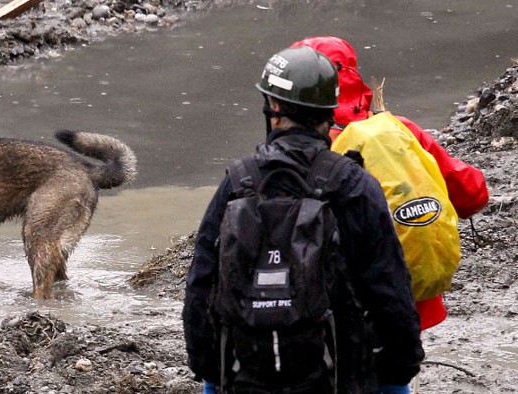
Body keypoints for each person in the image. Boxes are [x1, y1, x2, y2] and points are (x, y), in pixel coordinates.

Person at [182, 46, 424, 393]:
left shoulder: (236, 183)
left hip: (246, 377)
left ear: (274, 108)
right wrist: (400, 369)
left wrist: (209, 370)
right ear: (329, 111)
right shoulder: (356, 186)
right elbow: (390, 289)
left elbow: (201, 285)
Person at [289, 36, 490, 332]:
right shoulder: (400, 130)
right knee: (397, 371)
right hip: (412, 301)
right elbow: (473, 194)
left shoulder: (305, 148)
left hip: (340, 310)